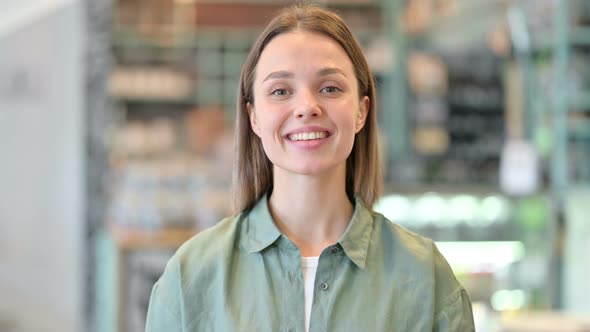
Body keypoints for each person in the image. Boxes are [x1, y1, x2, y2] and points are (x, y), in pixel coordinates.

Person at [146, 5, 475, 332]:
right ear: (254, 117)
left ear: (361, 111)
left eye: (330, 88)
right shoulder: (191, 276)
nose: (306, 107)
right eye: (280, 91)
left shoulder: (425, 278)